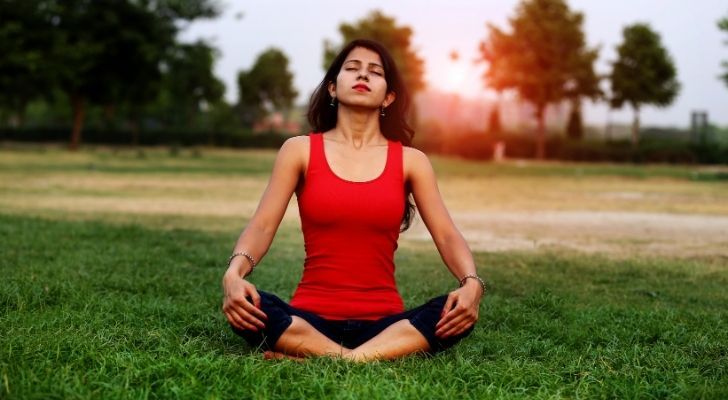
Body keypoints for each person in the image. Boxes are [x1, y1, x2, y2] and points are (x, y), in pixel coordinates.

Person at [222, 39, 485, 361]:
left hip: (387, 324)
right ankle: (366, 357)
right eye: (352, 68)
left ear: (388, 96)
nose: (363, 75)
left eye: (375, 72)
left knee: (449, 313)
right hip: (309, 320)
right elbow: (262, 225)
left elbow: (446, 234)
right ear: (333, 87)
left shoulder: (411, 161)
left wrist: (471, 283)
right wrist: (234, 275)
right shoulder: (299, 150)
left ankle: (328, 357)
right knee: (251, 306)